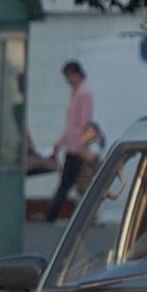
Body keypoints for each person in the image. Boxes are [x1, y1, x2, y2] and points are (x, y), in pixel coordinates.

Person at [45, 61, 95, 221]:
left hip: (78, 148)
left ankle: (52, 214)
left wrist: (81, 144)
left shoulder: (83, 93)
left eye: (68, 76)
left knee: (70, 182)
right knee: (72, 182)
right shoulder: (75, 93)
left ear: (76, 74)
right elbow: (70, 124)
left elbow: (83, 122)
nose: (67, 80)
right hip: (72, 146)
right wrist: (60, 142)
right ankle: (80, 215)